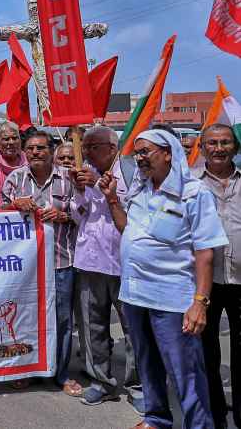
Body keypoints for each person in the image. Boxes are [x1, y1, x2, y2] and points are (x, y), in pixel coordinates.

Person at [101, 129, 227, 429]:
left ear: (168, 153)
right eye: (138, 153)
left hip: (172, 298)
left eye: (147, 151)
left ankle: (199, 424)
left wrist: (200, 303)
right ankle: (157, 418)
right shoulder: (140, 190)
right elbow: (127, 229)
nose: (140, 158)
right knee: (148, 364)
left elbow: (205, 253)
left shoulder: (194, 193)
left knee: (186, 373)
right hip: (135, 294)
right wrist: (112, 201)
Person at [1, 130, 79, 397]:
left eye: (41, 148)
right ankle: (27, 370)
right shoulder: (15, 179)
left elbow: (85, 214)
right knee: (24, 319)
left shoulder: (69, 179)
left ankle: (61, 373)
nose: (35, 152)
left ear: (52, 150)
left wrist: (64, 215)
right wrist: (13, 205)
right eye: (31, 148)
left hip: (61, 262)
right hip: (26, 267)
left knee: (63, 320)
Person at [69, 126, 142, 409]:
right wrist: (79, 190)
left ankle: (138, 385)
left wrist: (99, 183)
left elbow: (135, 209)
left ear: (112, 147)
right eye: (85, 147)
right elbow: (78, 215)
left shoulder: (132, 171)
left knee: (133, 329)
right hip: (90, 261)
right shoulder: (83, 173)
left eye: (93, 146)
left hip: (126, 262)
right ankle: (102, 381)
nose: (86, 152)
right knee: (93, 326)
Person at [197, 123, 241, 429]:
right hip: (205, 284)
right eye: (212, 143)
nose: (219, 148)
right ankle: (214, 415)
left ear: (235, 148)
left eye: (225, 142)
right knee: (207, 352)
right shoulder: (191, 187)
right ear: (201, 148)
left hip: (240, 281)